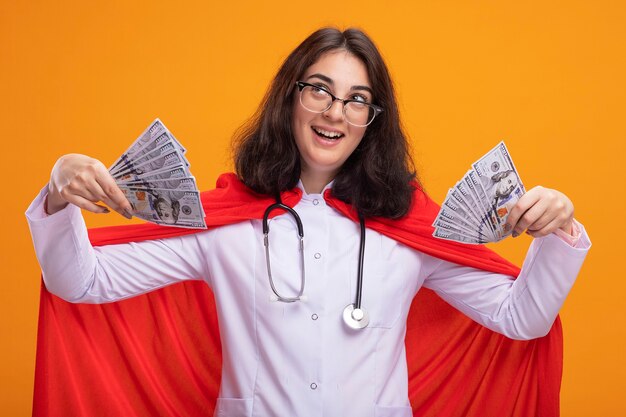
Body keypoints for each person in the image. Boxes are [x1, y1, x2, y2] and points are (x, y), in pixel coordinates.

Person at [26, 27, 590, 416]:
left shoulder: (409, 232)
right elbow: (82, 281)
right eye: (319, 89)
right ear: (290, 97)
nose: (334, 112)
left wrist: (559, 228)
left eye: (356, 99)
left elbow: (523, 318)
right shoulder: (223, 226)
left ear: (372, 120)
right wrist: (58, 193)